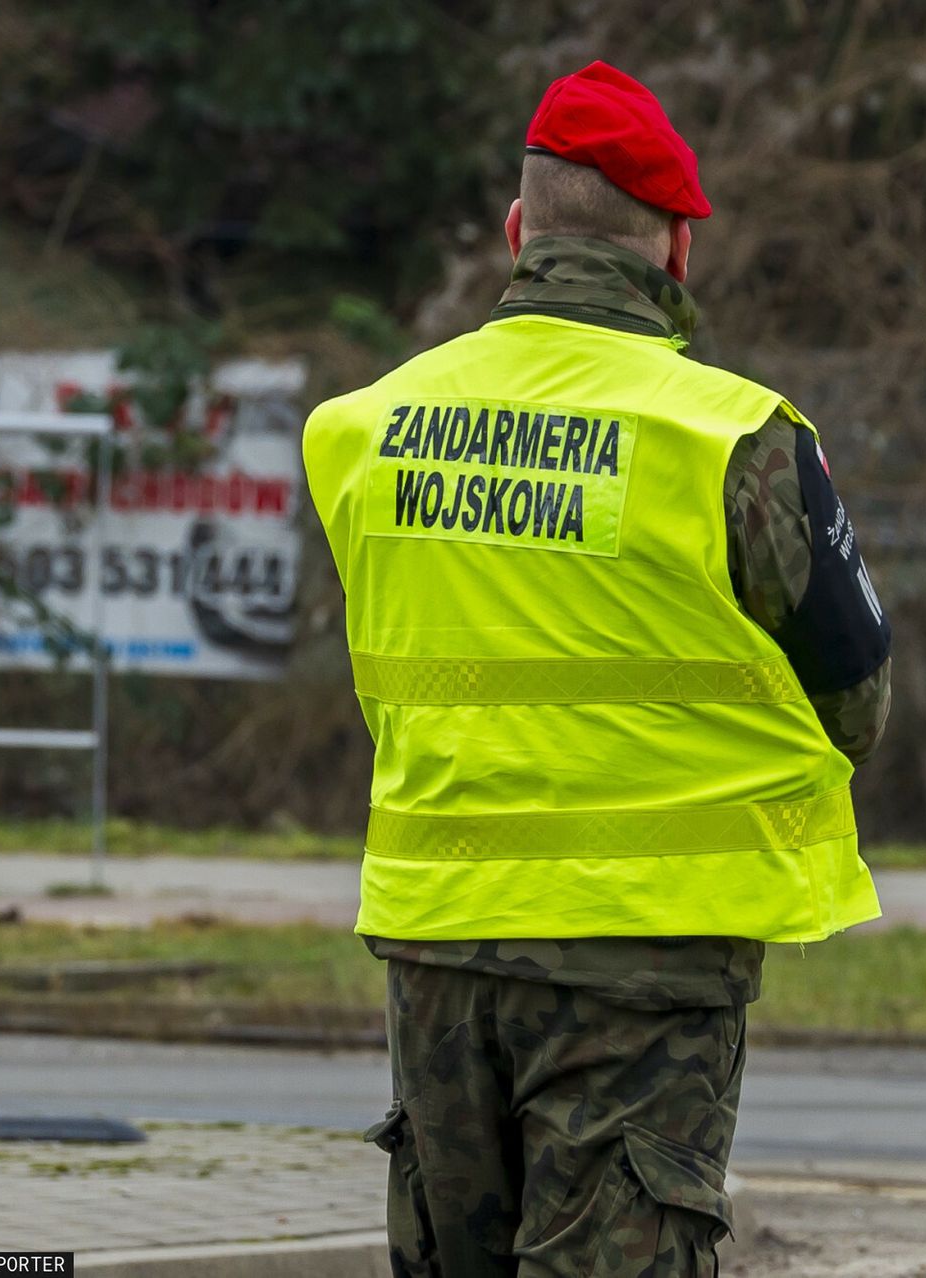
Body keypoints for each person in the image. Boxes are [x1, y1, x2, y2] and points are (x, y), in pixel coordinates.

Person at [303, 59, 892, 1278]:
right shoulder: (732, 438)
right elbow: (857, 700)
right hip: (648, 960)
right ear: (678, 250)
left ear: (519, 234)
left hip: (439, 947)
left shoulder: (363, 429)